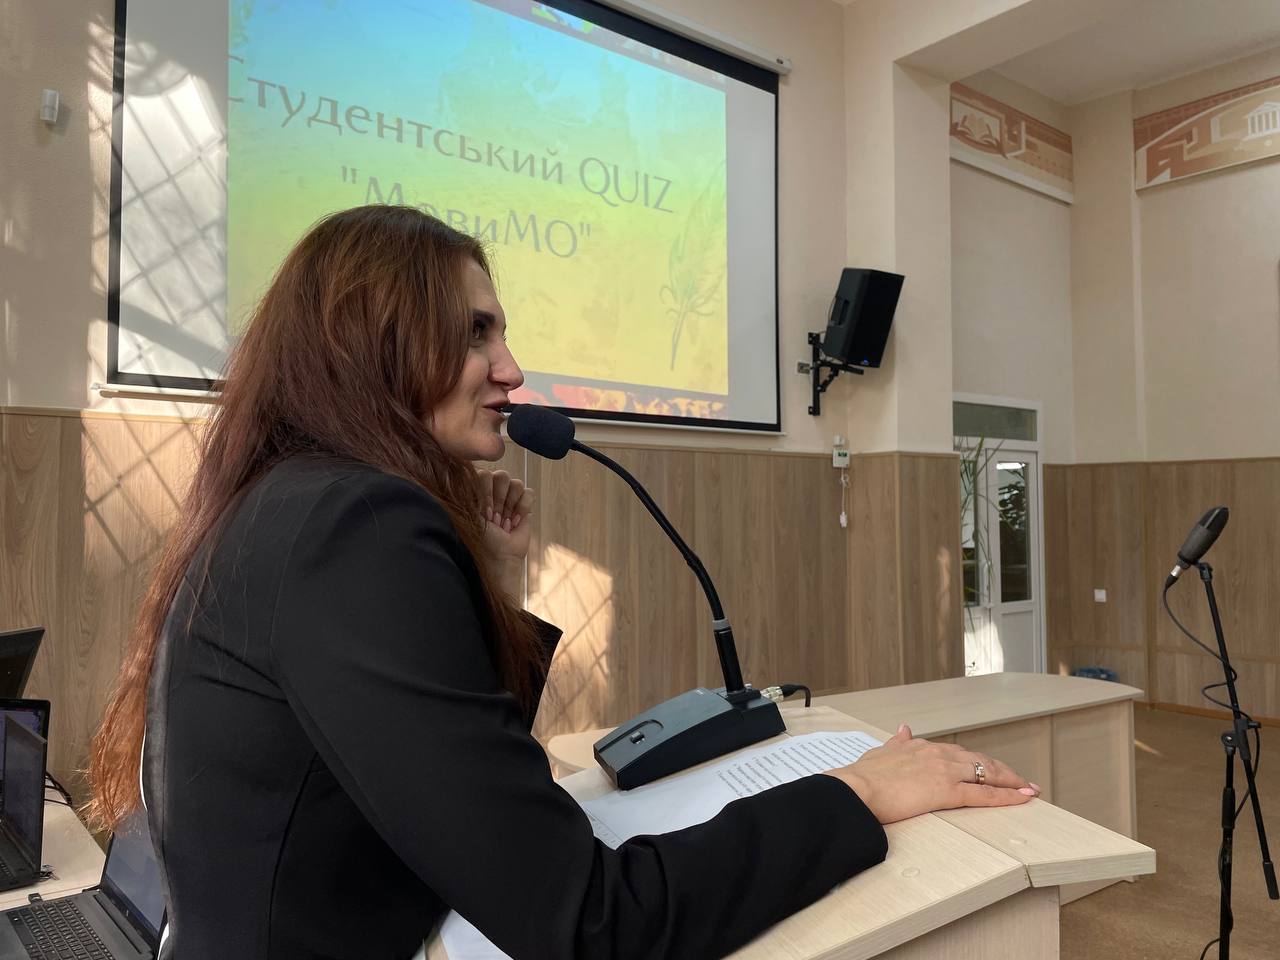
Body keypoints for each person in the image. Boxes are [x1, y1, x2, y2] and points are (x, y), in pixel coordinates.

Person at [87, 205, 1039, 960]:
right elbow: (589, 924)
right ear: (370, 346)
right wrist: (857, 792)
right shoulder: (355, 526)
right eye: (476, 334)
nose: (511, 370)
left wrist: (496, 583)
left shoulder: (288, 503)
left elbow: (442, 787)